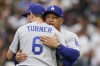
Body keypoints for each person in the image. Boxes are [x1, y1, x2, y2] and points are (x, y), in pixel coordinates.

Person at [15, 5, 80, 66]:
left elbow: (74, 56)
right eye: (47, 17)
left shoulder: (69, 35)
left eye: (54, 17)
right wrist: (17, 58)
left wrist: (58, 46)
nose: (50, 20)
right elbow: (20, 60)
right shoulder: (35, 34)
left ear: (61, 20)